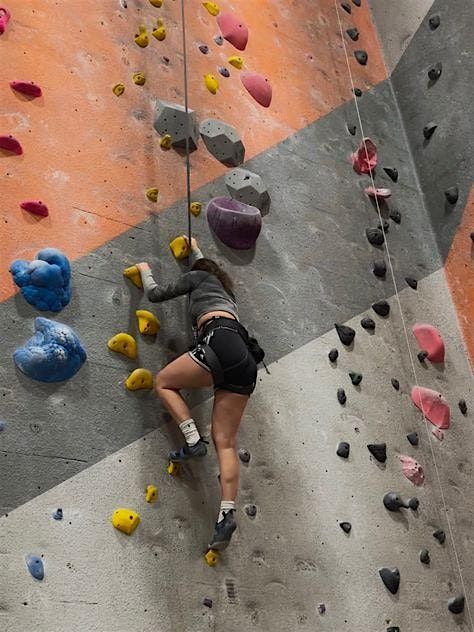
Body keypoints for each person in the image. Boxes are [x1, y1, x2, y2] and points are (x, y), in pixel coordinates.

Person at [135, 237, 258, 550]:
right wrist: (197, 249)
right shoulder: (227, 293)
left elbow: (155, 294)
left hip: (219, 344)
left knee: (163, 382)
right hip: (245, 359)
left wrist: (145, 269)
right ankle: (227, 514)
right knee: (226, 442)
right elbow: (207, 267)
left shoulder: (198, 278)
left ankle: (192, 439)